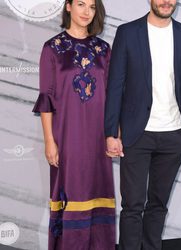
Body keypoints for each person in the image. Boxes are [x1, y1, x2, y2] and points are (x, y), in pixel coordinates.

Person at [105, 0, 181, 249]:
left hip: (174, 135)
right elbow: (115, 86)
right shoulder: (128, 32)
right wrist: (111, 132)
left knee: (158, 205)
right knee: (132, 206)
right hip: (137, 134)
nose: (166, 1)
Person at [32, 0, 115, 249]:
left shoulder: (104, 50)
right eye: (80, 4)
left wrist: (114, 135)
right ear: (68, 7)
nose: (86, 11)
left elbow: (112, 97)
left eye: (91, 6)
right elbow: (46, 99)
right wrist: (49, 141)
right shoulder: (53, 48)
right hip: (67, 138)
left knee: (98, 192)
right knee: (72, 193)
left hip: (99, 139)